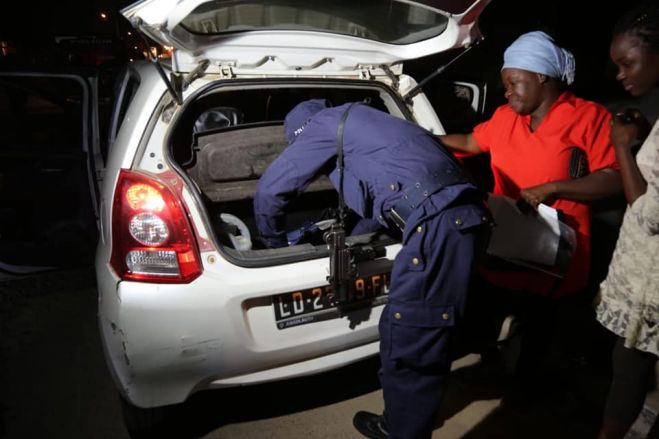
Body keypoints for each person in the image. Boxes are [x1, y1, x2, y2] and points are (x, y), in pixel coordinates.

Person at [254, 99, 491, 438]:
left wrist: (272, 249)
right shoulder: (372, 123)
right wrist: (353, 240)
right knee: (432, 329)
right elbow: (376, 206)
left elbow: (270, 191)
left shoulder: (323, 126)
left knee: (409, 333)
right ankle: (418, 415)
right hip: (468, 219)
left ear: (303, 134)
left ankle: (402, 430)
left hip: (438, 226)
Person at [438, 30, 622, 405]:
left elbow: (613, 177)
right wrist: (420, 138)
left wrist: (553, 188)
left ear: (542, 76)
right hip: (507, 235)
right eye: (505, 84)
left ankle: (525, 388)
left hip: (558, 246)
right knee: (492, 304)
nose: (507, 92)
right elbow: (472, 144)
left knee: (540, 320)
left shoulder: (588, 117)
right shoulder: (506, 118)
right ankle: (492, 367)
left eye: (513, 83)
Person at [594, 2, 659, 438]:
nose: (620, 74)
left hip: (652, 285)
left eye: (627, 62)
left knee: (628, 375)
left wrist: (621, 147)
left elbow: (651, 214)